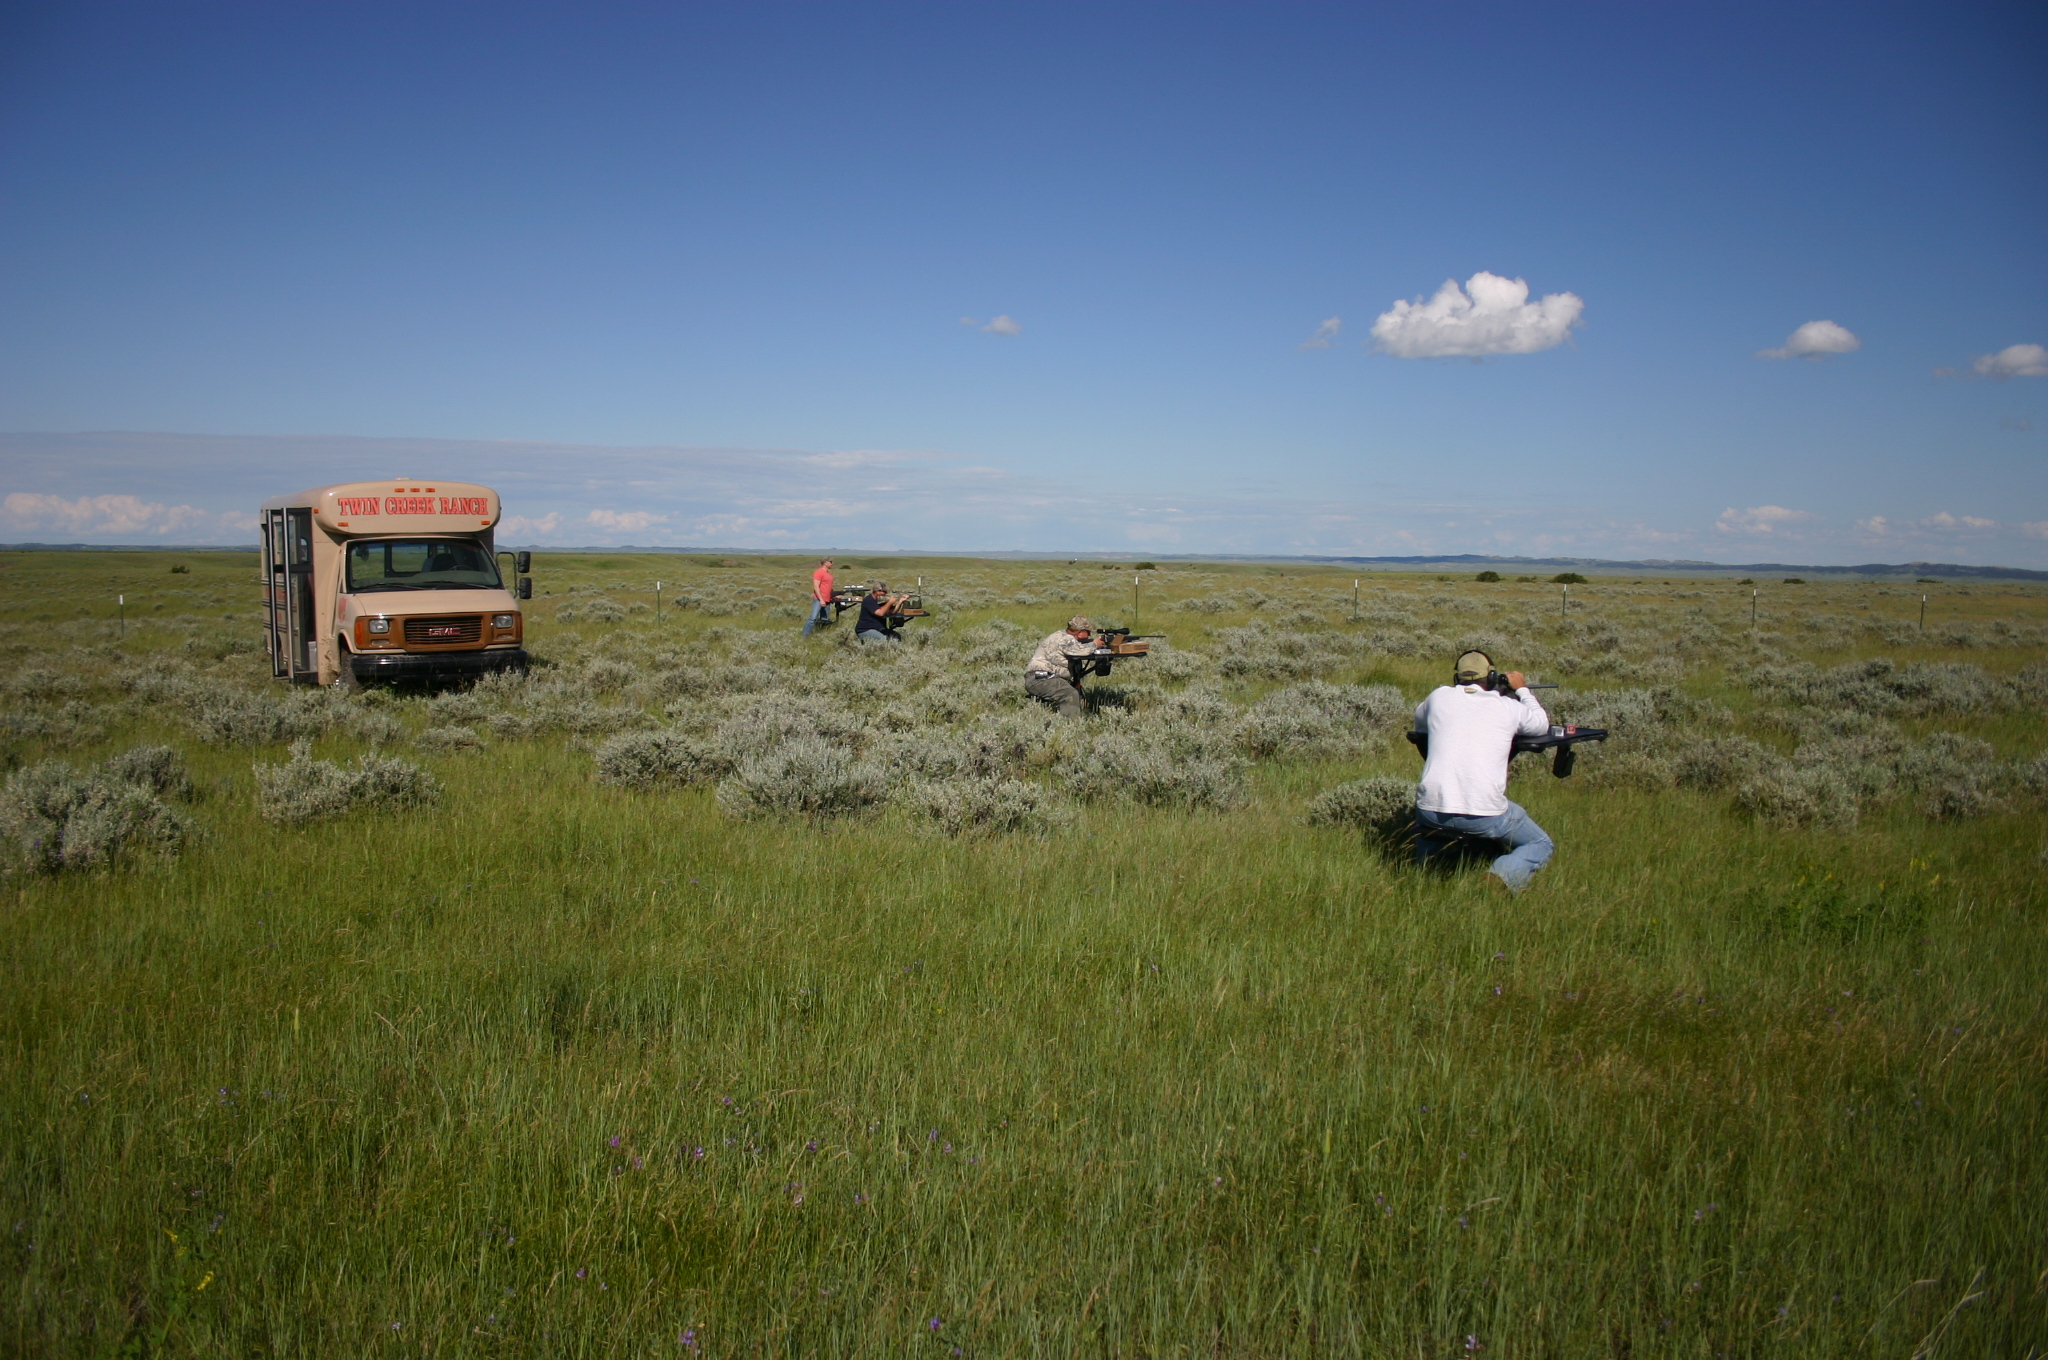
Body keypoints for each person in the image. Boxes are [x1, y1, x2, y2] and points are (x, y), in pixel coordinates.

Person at [1411, 650, 1554, 893]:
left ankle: (1422, 874)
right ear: (1492, 676)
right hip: (1484, 814)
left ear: (1457, 677)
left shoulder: (1438, 697)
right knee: (1540, 842)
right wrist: (1521, 690)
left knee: (1432, 828)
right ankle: (1503, 876)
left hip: (1429, 810)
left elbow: (1420, 721)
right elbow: (1541, 724)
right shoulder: (1507, 706)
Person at [1024, 616, 1103, 718]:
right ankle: (1069, 726)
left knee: (1072, 691)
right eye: (1087, 632)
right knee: (1070, 694)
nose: (1089, 635)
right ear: (1080, 632)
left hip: (1042, 678)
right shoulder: (1065, 639)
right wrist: (1095, 644)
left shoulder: (1062, 635)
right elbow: (1081, 651)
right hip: (1040, 679)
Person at [802, 558, 834, 636]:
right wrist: (821, 599)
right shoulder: (819, 572)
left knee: (825, 619)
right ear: (825, 563)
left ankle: (822, 634)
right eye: (831, 562)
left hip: (827, 600)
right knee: (813, 618)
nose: (832, 563)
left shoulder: (829, 574)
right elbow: (816, 587)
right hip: (819, 600)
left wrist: (835, 595)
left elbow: (829, 587)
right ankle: (805, 635)